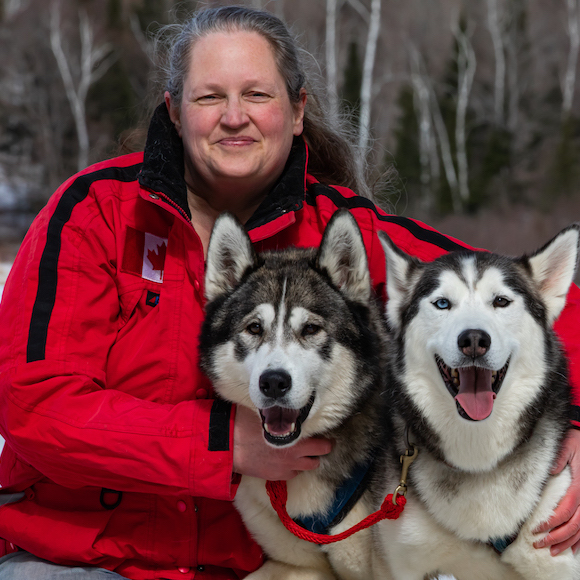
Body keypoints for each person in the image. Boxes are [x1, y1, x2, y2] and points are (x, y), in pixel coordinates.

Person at [0, 5, 579, 579]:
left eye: (257, 95)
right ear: (174, 112)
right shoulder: (97, 216)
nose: (233, 117)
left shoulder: (343, 235)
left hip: (257, 561)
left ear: (297, 111)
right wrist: (218, 444)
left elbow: (533, 299)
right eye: (208, 98)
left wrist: (576, 423)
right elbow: (33, 403)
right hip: (75, 551)